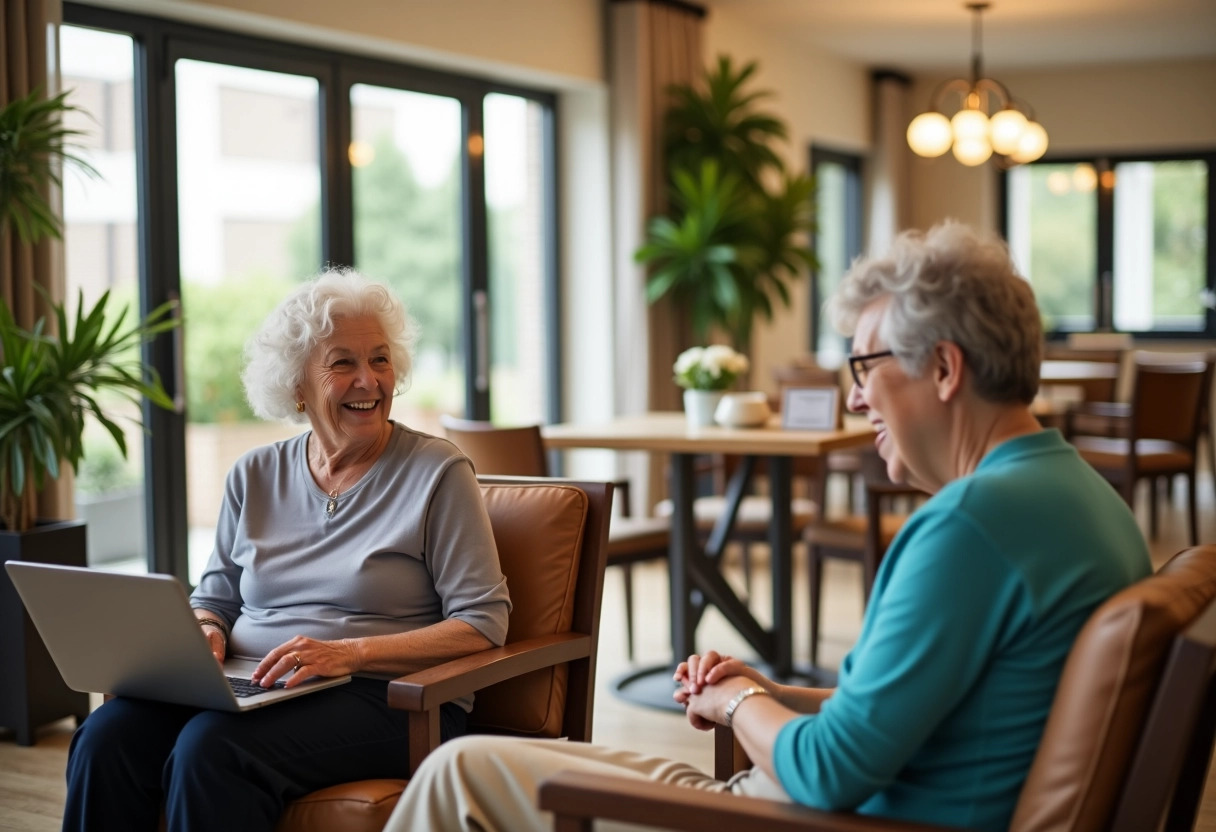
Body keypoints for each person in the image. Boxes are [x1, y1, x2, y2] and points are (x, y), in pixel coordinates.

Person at [382, 222, 1152, 832]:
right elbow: (919, 715)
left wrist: (735, 706)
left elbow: (829, 773)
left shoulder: (968, 528)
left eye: (863, 368)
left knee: (461, 772)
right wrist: (765, 689)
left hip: (814, 818)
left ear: (945, 370)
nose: (855, 401)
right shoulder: (1080, 497)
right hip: (828, 800)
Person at [62, 269, 511, 832]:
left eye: (379, 360)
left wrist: (349, 653)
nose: (368, 381)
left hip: (389, 699)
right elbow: (217, 595)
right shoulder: (254, 473)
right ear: (296, 386)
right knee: (107, 737)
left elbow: (483, 624)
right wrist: (207, 628)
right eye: (342, 363)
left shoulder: (438, 472)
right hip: (256, 685)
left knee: (213, 749)